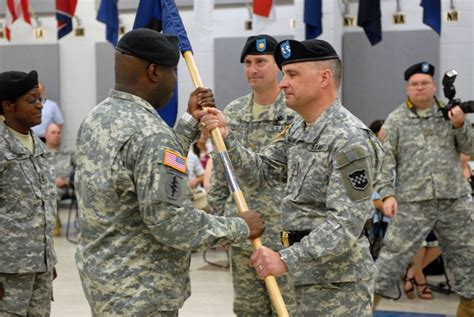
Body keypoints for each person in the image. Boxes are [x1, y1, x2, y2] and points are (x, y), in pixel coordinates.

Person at [74, 28, 265, 316]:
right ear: (154, 72)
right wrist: (239, 226)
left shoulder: (97, 119)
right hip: (141, 291)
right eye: (173, 72)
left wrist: (189, 121)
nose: (174, 83)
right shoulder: (151, 134)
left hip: (106, 282)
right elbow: (172, 224)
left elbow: (145, 172)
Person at [201, 39, 384, 316]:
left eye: (293, 74)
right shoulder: (300, 128)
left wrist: (285, 259)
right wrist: (228, 139)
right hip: (305, 275)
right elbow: (262, 170)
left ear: (324, 78)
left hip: (337, 285)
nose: (283, 83)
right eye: (284, 73)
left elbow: (345, 224)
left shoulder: (349, 139)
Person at [207, 34, 298, 316]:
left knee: (288, 309)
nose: (253, 69)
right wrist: (221, 220)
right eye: (247, 63)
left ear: (279, 66)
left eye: (261, 61)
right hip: (245, 233)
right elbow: (222, 170)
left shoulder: (294, 112)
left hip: (286, 236)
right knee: (248, 310)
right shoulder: (233, 112)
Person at [373, 62, 474, 316]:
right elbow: (384, 160)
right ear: (407, 88)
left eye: (425, 83)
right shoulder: (396, 120)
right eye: (414, 84)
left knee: (468, 263)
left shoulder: (450, 114)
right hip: (412, 202)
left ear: (433, 86)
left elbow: (470, 149)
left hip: (454, 199)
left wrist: (461, 125)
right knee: (387, 264)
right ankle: (361, 310)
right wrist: (387, 194)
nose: (420, 88)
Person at [0, 70, 57, 316]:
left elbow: (43, 206)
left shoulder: (40, 147)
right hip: (8, 271)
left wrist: (48, 258)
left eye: (40, 99)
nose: (39, 106)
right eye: (31, 100)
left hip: (40, 266)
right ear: (8, 105)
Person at [44, 123, 75, 237]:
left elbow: (81, 168)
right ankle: (55, 225)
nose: (56, 135)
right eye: (53, 132)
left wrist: (70, 179)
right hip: (52, 188)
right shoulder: (40, 153)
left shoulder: (69, 152)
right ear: (46, 135)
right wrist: (52, 181)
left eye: (58, 133)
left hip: (71, 186)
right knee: (49, 192)